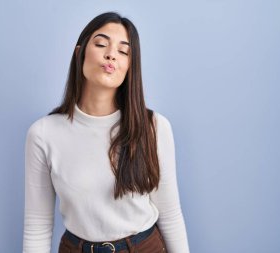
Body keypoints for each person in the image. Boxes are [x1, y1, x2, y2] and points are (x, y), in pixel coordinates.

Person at [22, 11, 190, 253]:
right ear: (79, 52)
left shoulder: (154, 127)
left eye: (124, 51)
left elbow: (171, 215)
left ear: (130, 67)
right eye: (101, 44)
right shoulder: (43, 134)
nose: (111, 54)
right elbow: (37, 226)